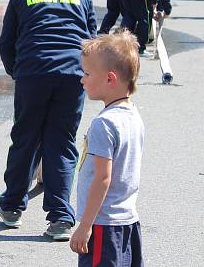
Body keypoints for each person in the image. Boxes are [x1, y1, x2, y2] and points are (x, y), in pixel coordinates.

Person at [0, 0, 97, 241]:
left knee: (25, 139)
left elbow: (5, 43)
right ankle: (60, 219)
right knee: (62, 144)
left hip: (33, 74)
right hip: (71, 76)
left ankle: (12, 207)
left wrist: (19, 73)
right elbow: (91, 43)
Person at [71, 31, 145, 267]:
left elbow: (102, 178)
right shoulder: (133, 115)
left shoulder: (104, 124)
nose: (82, 79)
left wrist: (85, 226)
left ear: (110, 79)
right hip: (127, 221)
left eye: (87, 73)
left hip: (103, 224)